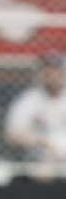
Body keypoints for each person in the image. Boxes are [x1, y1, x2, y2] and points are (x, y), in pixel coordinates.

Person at [5, 54, 66, 182]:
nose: (53, 77)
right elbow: (12, 134)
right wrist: (43, 142)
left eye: (58, 72)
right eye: (49, 73)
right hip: (41, 155)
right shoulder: (30, 99)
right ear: (41, 74)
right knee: (43, 170)